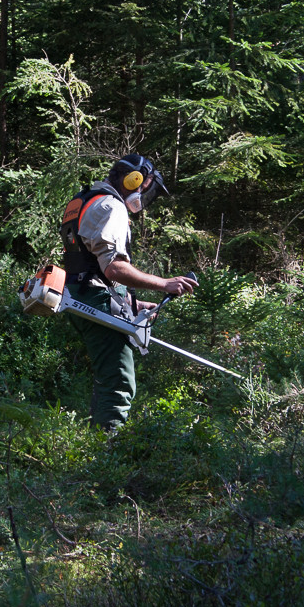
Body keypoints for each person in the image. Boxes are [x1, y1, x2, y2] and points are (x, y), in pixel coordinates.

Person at [60, 154, 198, 430]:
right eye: (145, 186)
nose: (144, 194)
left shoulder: (85, 199)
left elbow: (89, 265)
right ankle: (106, 455)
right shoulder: (112, 206)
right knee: (120, 382)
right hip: (95, 299)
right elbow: (113, 268)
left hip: (79, 295)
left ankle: (96, 441)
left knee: (107, 376)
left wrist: (131, 304)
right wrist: (165, 283)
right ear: (135, 180)